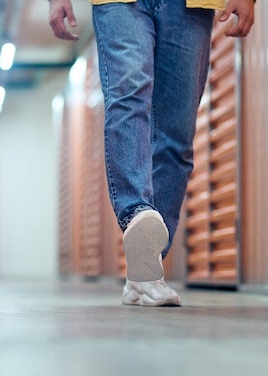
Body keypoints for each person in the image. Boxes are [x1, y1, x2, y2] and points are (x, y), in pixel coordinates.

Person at [49, 0, 254, 306]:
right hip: (118, 3)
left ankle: (144, 271)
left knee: (177, 133)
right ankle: (137, 211)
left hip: (190, 6)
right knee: (129, 93)